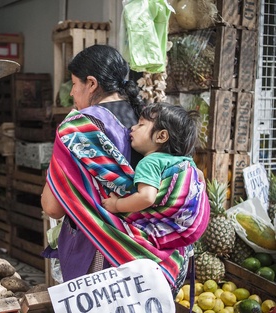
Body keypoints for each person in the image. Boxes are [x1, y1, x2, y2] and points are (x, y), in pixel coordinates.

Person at [41, 45, 208, 295]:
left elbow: (52, 207)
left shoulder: (79, 128)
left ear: (91, 83)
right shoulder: (153, 122)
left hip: (102, 255)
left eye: (74, 83)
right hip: (157, 258)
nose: (72, 92)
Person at [102, 102, 203, 214]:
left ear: (161, 136)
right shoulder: (185, 160)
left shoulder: (149, 163)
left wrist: (117, 205)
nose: (133, 128)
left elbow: (146, 197)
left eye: (141, 125)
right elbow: (199, 176)